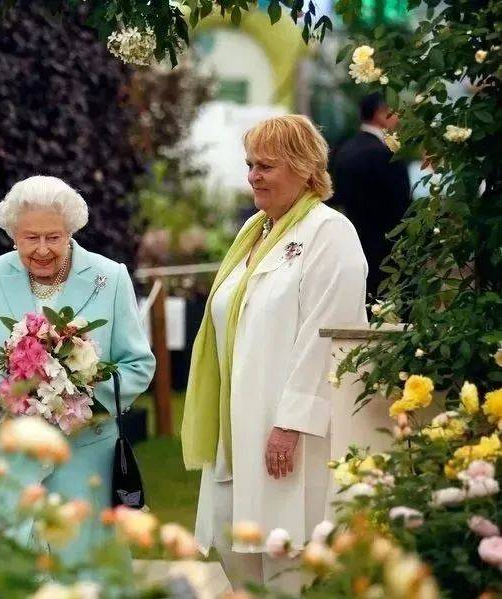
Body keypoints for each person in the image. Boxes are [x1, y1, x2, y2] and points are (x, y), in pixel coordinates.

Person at [181, 115, 367, 593]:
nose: (253, 176)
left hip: (288, 430)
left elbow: (328, 337)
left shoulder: (331, 232)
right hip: (233, 425)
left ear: (305, 168)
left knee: (287, 560)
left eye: (266, 165)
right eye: (249, 165)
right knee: (232, 545)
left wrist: (290, 424)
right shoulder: (255, 229)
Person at [0, 175, 155, 562]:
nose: (43, 249)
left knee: (84, 569)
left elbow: (138, 363)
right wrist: (12, 399)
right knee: (14, 571)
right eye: (31, 238)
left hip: (86, 452)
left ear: (70, 232)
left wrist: (79, 398)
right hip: (14, 451)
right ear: (14, 234)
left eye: (54, 237)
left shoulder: (109, 277)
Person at [331, 92, 410, 298]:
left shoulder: (344, 150)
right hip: (386, 251)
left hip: (351, 244)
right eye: (395, 112)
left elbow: (335, 196)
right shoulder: (385, 154)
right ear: (380, 114)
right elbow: (402, 206)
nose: (398, 118)